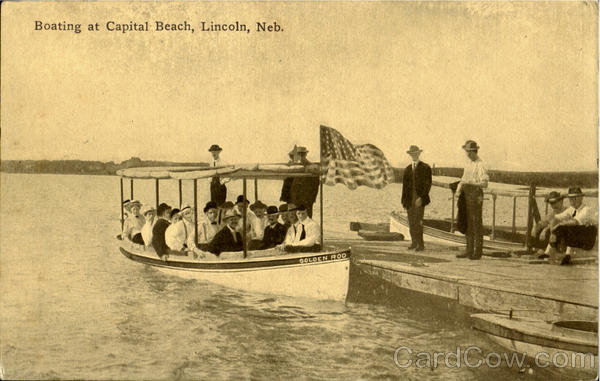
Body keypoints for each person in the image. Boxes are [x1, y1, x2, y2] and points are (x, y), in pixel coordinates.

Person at [456, 140, 489, 260]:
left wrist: (471, 182)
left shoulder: (481, 164)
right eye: (466, 152)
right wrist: (458, 190)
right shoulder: (468, 164)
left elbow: (485, 184)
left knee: (476, 223)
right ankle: (468, 250)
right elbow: (463, 178)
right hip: (466, 194)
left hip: (475, 195)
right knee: (467, 222)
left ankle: (477, 252)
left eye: (469, 152)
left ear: (474, 151)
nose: (467, 154)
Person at [549, 187, 598, 263]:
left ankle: (564, 253)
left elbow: (575, 222)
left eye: (576, 198)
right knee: (560, 228)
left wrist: (558, 226)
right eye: (571, 199)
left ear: (581, 198)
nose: (573, 201)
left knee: (563, 227)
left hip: (589, 239)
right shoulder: (571, 209)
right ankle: (560, 253)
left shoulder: (586, 209)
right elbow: (555, 218)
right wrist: (552, 230)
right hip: (579, 236)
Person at [401, 145, 432, 252]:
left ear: (419, 154)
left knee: (418, 221)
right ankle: (414, 242)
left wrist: (422, 198)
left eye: (415, 153)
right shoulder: (408, 169)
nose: (413, 155)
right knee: (411, 222)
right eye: (412, 154)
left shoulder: (425, 167)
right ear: (410, 155)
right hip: (409, 200)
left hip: (419, 199)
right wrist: (404, 201)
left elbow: (428, 185)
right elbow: (404, 187)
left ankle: (420, 244)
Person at [289, 146, 320, 218]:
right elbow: (293, 185)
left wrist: (311, 200)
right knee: (297, 221)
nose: (300, 156)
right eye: (299, 154)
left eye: (302, 154)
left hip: (307, 200)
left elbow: (316, 185)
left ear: (305, 155)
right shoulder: (296, 167)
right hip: (296, 200)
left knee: (307, 219)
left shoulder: (311, 167)